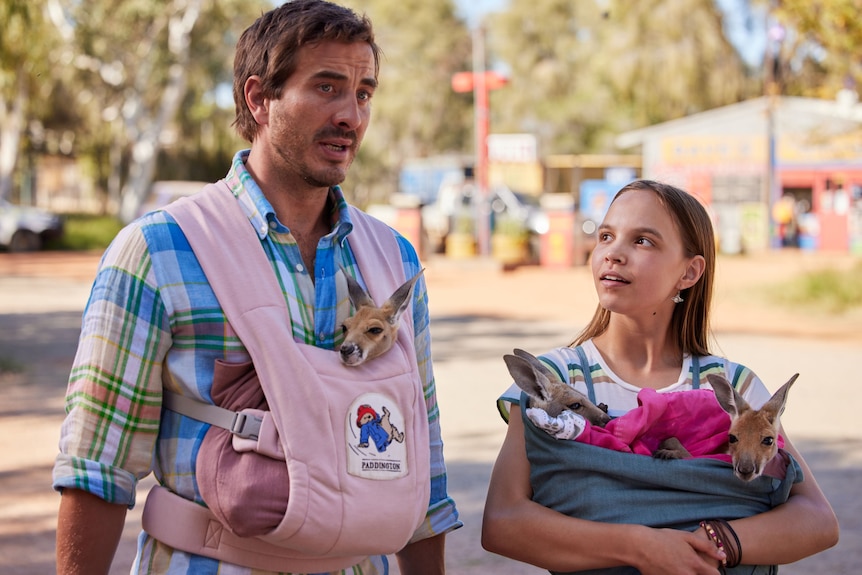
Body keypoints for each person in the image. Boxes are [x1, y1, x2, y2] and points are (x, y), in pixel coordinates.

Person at [53, 1, 460, 573]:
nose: (351, 115)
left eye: (363, 93)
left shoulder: (393, 258)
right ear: (258, 98)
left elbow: (422, 458)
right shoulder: (159, 251)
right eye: (326, 87)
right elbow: (96, 468)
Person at [481, 180, 838, 574]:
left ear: (689, 272)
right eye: (605, 236)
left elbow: (816, 520)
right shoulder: (555, 379)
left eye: (643, 241)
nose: (613, 253)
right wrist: (640, 546)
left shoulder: (734, 386)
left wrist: (709, 543)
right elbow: (503, 522)